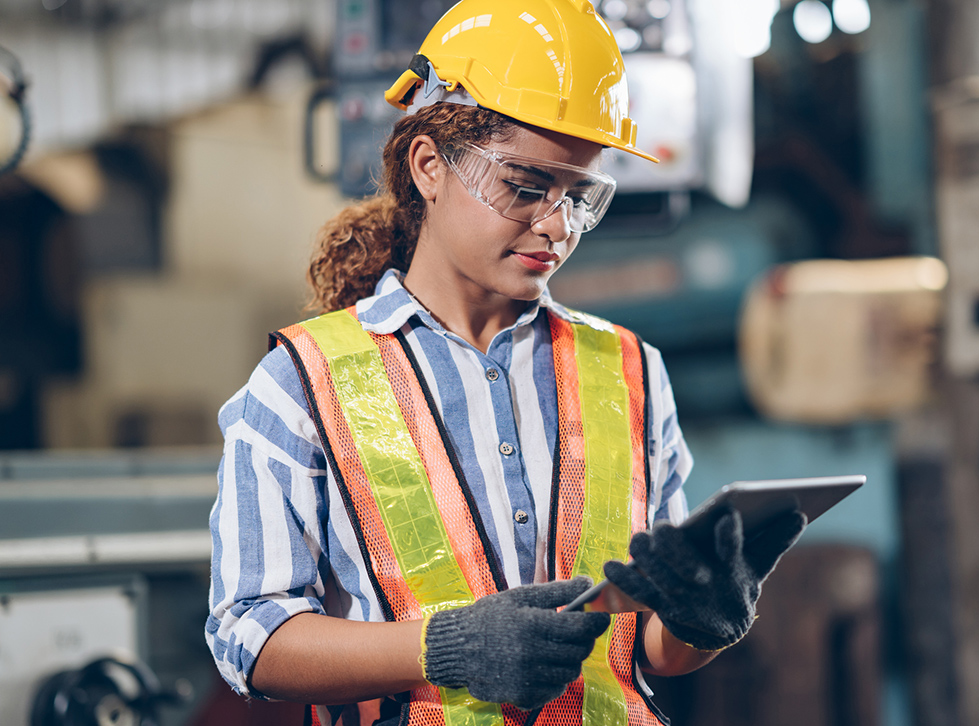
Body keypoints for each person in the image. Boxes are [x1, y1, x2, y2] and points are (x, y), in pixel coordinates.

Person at [206, 1, 805, 724]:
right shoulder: (303, 384)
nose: (556, 225)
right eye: (527, 187)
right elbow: (249, 639)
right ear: (430, 165)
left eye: (581, 196)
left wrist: (702, 619)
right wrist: (443, 648)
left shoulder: (630, 371)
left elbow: (648, 650)